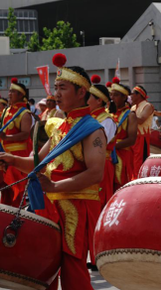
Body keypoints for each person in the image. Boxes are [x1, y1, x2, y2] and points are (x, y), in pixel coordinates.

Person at [0, 53, 106, 290]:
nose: (56, 93)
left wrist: (55, 186)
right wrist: (11, 159)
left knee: (73, 267)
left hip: (76, 207)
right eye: (56, 87)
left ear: (81, 93)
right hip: (51, 204)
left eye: (63, 88)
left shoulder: (93, 130)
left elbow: (95, 174)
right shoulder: (61, 126)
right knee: (45, 266)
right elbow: (37, 162)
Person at [0, 78, 32, 207]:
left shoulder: (25, 113)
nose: (9, 94)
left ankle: (16, 216)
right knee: (5, 187)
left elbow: (26, 133)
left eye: (12, 91)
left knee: (16, 188)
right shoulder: (7, 111)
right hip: (4, 152)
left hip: (17, 155)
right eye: (9, 91)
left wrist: (6, 138)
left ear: (20, 95)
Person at [88, 75, 117, 208]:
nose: (85, 100)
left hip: (101, 165)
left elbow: (99, 144)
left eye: (89, 97)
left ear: (99, 100)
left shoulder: (107, 120)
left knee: (99, 199)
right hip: (89, 163)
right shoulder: (89, 117)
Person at [110, 78, 137, 190]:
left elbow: (131, 140)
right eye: (111, 95)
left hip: (122, 156)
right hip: (107, 155)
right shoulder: (107, 114)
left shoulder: (130, 115)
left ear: (124, 97)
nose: (112, 98)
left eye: (116, 95)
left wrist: (111, 146)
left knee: (120, 186)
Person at [130, 85, 154, 179]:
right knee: (132, 163)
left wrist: (126, 115)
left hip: (142, 139)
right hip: (132, 139)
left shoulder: (148, 106)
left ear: (139, 95)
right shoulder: (132, 108)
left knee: (139, 163)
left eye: (132, 94)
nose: (131, 96)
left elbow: (141, 120)